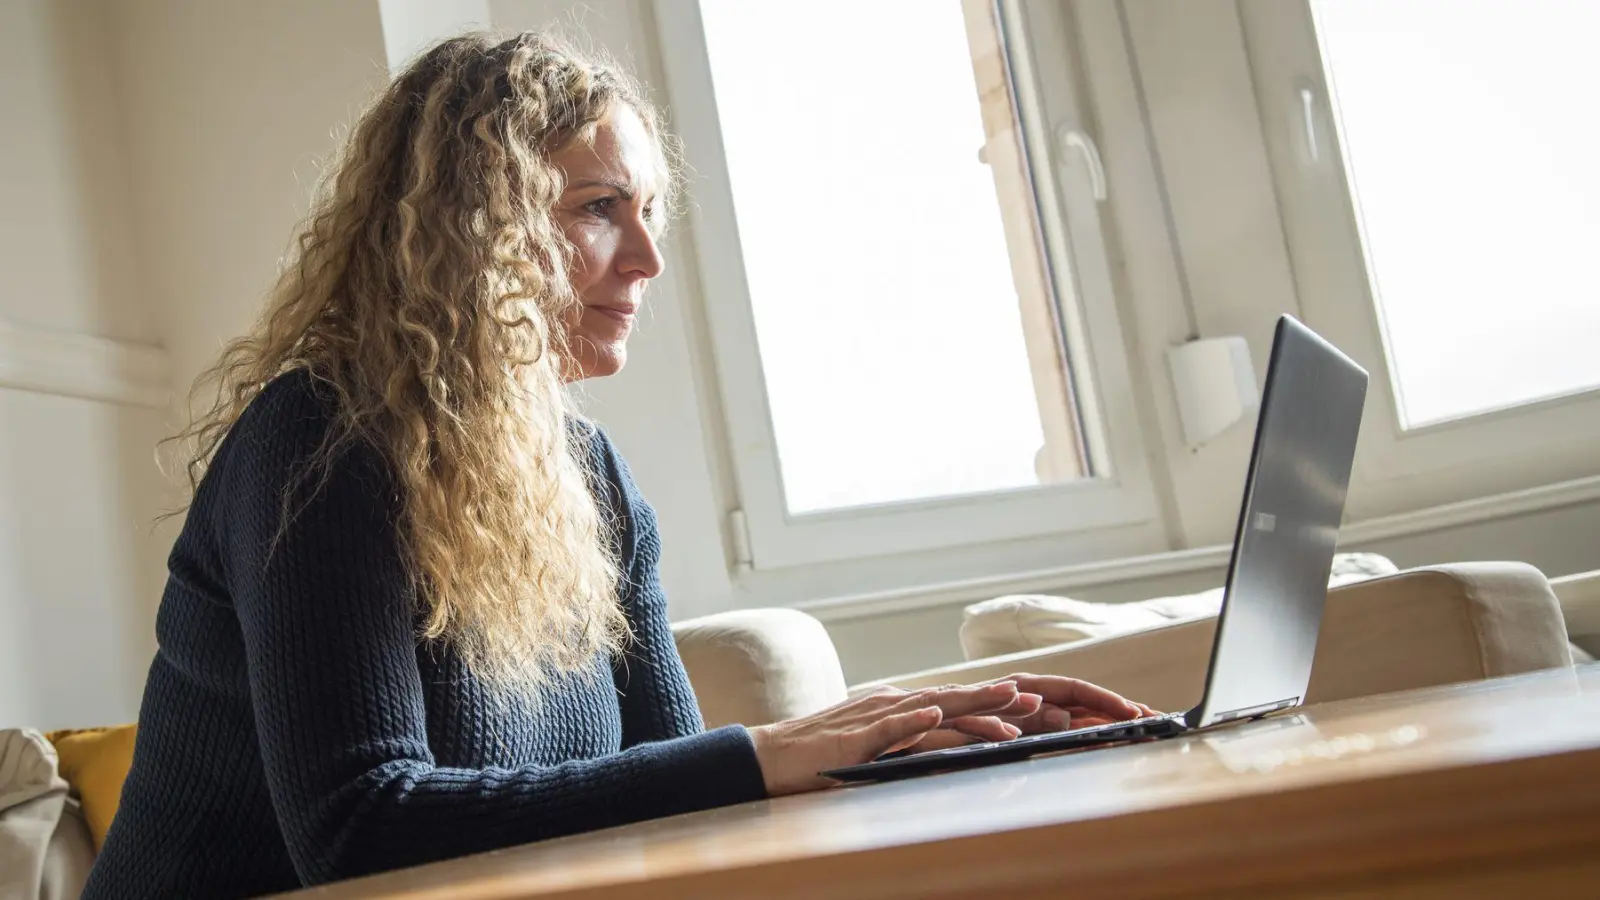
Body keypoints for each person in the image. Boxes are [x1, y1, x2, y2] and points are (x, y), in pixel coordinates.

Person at [82, 32, 1153, 898]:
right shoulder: (321, 440)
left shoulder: (589, 476)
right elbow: (360, 830)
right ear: (477, 228)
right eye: (599, 208)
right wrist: (769, 754)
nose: (644, 258)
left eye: (647, 210)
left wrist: (930, 742)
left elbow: (679, 799)